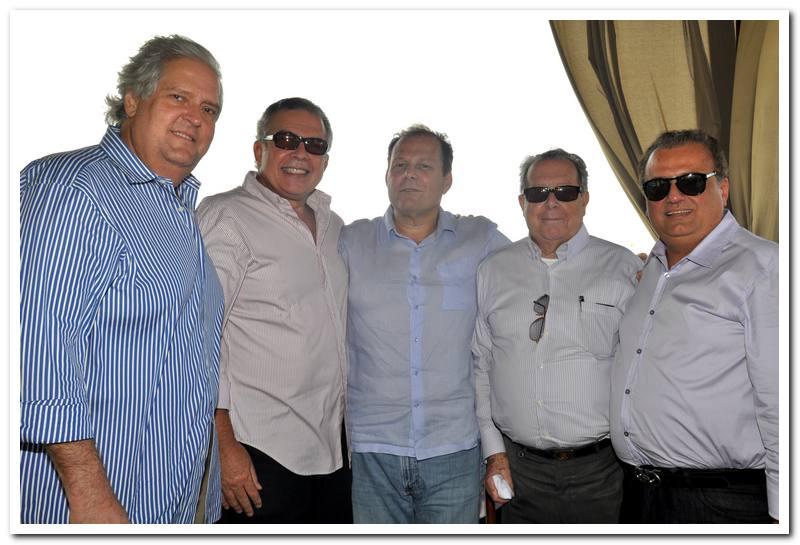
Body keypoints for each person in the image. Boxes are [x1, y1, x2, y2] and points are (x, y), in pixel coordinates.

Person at [20, 35, 224, 524]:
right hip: (89, 505)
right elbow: (35, 344)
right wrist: (88, 493)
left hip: (166, 500)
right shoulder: (75, 188)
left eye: (209, 109)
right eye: (178, 97)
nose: (195, 117)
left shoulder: (178, 210)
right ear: (133, 100)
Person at [340, 124, 510, 523]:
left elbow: (532, 271)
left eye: (424, 166)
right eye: (399, 165)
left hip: (454, 447)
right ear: (386, 175)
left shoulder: (481, 239)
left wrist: (632, 269)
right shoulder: (350, 242)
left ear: (447, 180)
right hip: (373, 448)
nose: (409, 174)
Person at [610, 129, 779, 524]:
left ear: (723, 188)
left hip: (721, 503)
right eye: (657, 187)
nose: (673, 196)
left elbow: (784, 404)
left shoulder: (765, 268)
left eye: (690, 182)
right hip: (640, 495)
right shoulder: (651, 270)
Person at [196, 97, 351, 524]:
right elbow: (199, 338)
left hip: (332, 449)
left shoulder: (335, 226)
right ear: (258, 149)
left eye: (314, 145)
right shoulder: (226, 216)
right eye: (285, 140)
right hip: (258, 452)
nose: (300, 153)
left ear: (325, 160)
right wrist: (224, 447)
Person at [474, 148, 641, 523]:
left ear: (585, 199)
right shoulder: (492, 271)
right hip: (518, 469)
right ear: (522, 202)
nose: (551, 203)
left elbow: (643, 366)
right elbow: (481, 365)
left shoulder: (624, 268)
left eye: (565, 192)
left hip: (601, 472)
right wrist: (494, 452)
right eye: (538, 193)